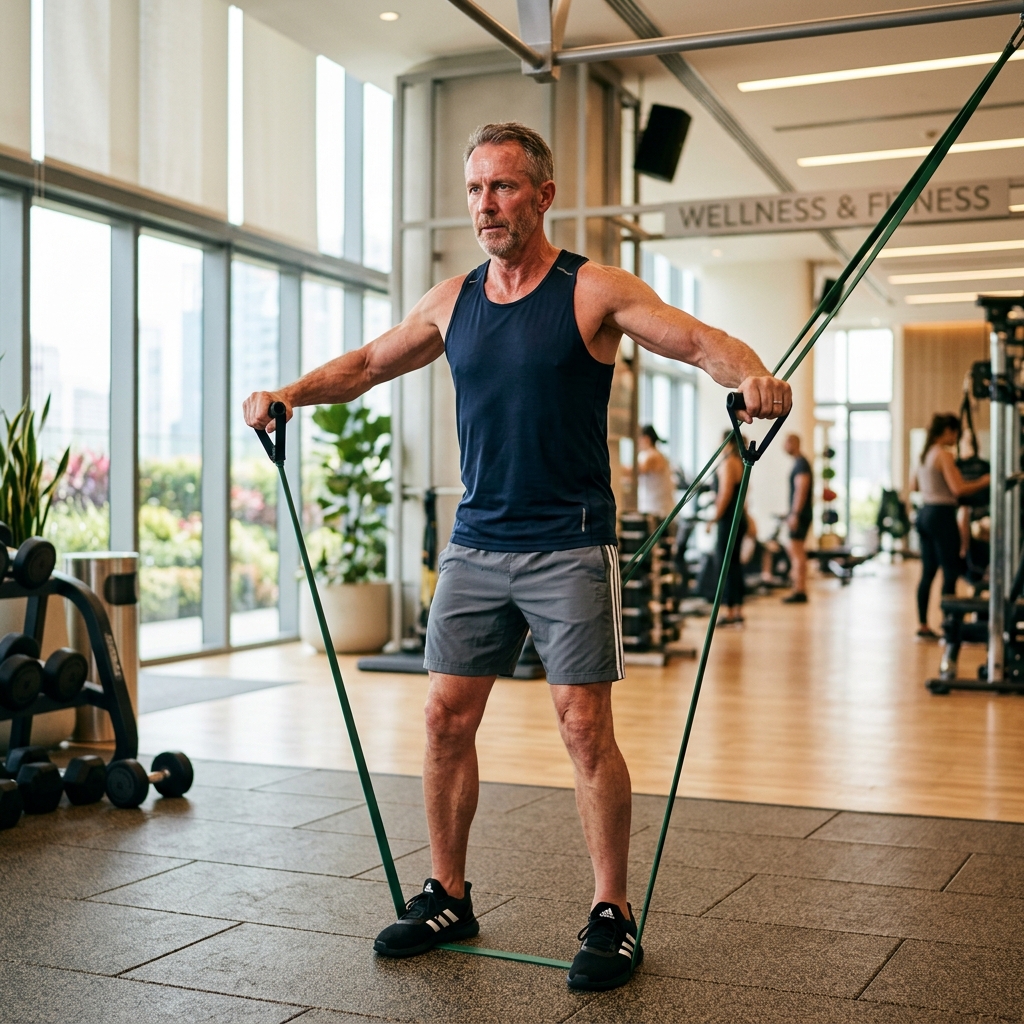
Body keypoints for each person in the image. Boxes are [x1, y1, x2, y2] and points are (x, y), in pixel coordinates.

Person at [242, 121, 791, 991]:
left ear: (543, 195)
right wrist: (289, 394)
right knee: (442, 720)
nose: (486, 205)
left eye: (502, 188)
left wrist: (752, 372)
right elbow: (369, 363)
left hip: (570, 542)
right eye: (474, 190)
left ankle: (612, 912)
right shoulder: (451, 298)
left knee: (583, 729)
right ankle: (448, 893)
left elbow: (693, 340)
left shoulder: (593, 289)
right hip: (475, 540)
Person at [913, 413, 989, 639]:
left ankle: (924, 625)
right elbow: (958, 489)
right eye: (955, 433)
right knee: (951, 570)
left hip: (925, 513)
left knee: (928, 572)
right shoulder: (944, 455)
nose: (955, 438)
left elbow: (913, 486)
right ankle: (950, 625)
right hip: (941, 514)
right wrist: (985, 481)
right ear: (947, 431)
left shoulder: (924, 455)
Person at [708, 431, 746, 625]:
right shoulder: (740, 461)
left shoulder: (728, 462)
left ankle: (730, 612)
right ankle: (737, 610)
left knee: (725, 566)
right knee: (734, 565)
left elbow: (725, 493)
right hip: (738, 518)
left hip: (729, 519)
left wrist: (713, 519)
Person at [782, 433, 813, 604]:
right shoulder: (799, 463)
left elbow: (802, 489)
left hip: (801, 515)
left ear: (795, 443)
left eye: (786, 442)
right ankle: (798, 588)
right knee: (795, 550)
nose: (784, 446)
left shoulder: (801, 464)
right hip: (800, 514)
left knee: (796, 551)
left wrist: (795, 514)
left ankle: (800, 590)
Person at [636, 425, 675, 517]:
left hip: (660, 512)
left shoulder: (653, 456)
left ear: (646, 439)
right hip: (657, 510)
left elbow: (636, 471)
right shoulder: (650, 454)